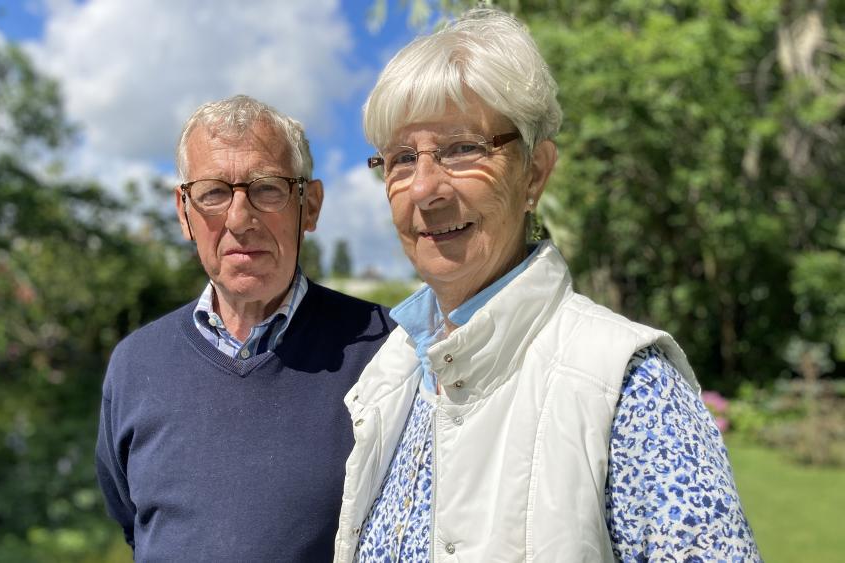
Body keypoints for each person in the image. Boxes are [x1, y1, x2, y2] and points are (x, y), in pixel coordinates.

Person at [334, 9, 759, 562]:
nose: (425, 189)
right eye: (401, 159)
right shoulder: (393, 374)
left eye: (463, 149)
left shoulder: (628, 387)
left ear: (534, 173)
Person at [96, 95, 394, 562]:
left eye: (268, 188)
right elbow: (135, 521)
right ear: (184, 212)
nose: (239, 219)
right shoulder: (135, 364)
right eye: (213, 192)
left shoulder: (385, 351)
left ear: (309, 205)